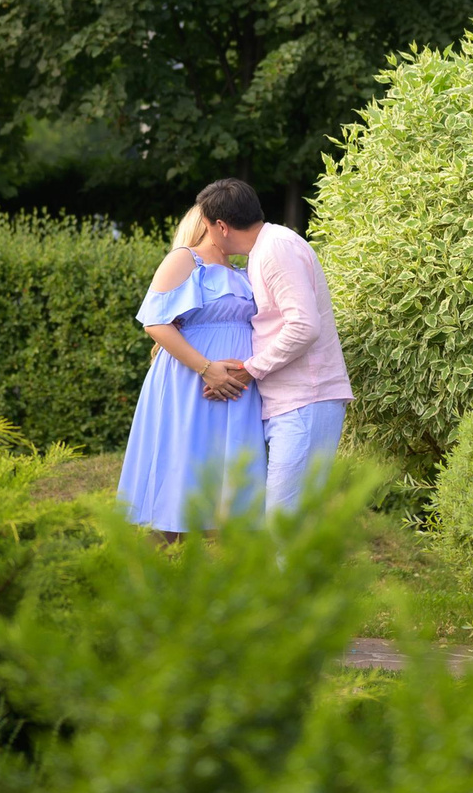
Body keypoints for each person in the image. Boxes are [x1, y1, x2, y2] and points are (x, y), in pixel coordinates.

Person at [196, 178, 354, 515]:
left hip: (306, 401)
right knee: (295, 525)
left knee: (286, 525)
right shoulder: (266, 249)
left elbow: (304, 325)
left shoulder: (275, 249)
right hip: (295, 404)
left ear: (221, 226)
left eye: (207, 227)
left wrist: (248, 370)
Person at [115, 204, 265, 536]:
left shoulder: (244, 270)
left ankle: (221, 578)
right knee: (182, 475)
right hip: (191, 382)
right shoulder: (185, 259)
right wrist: (207, 368)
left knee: (230, 484)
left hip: (238, 389)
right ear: (213, 223)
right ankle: (152, 573)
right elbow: (155, 322)